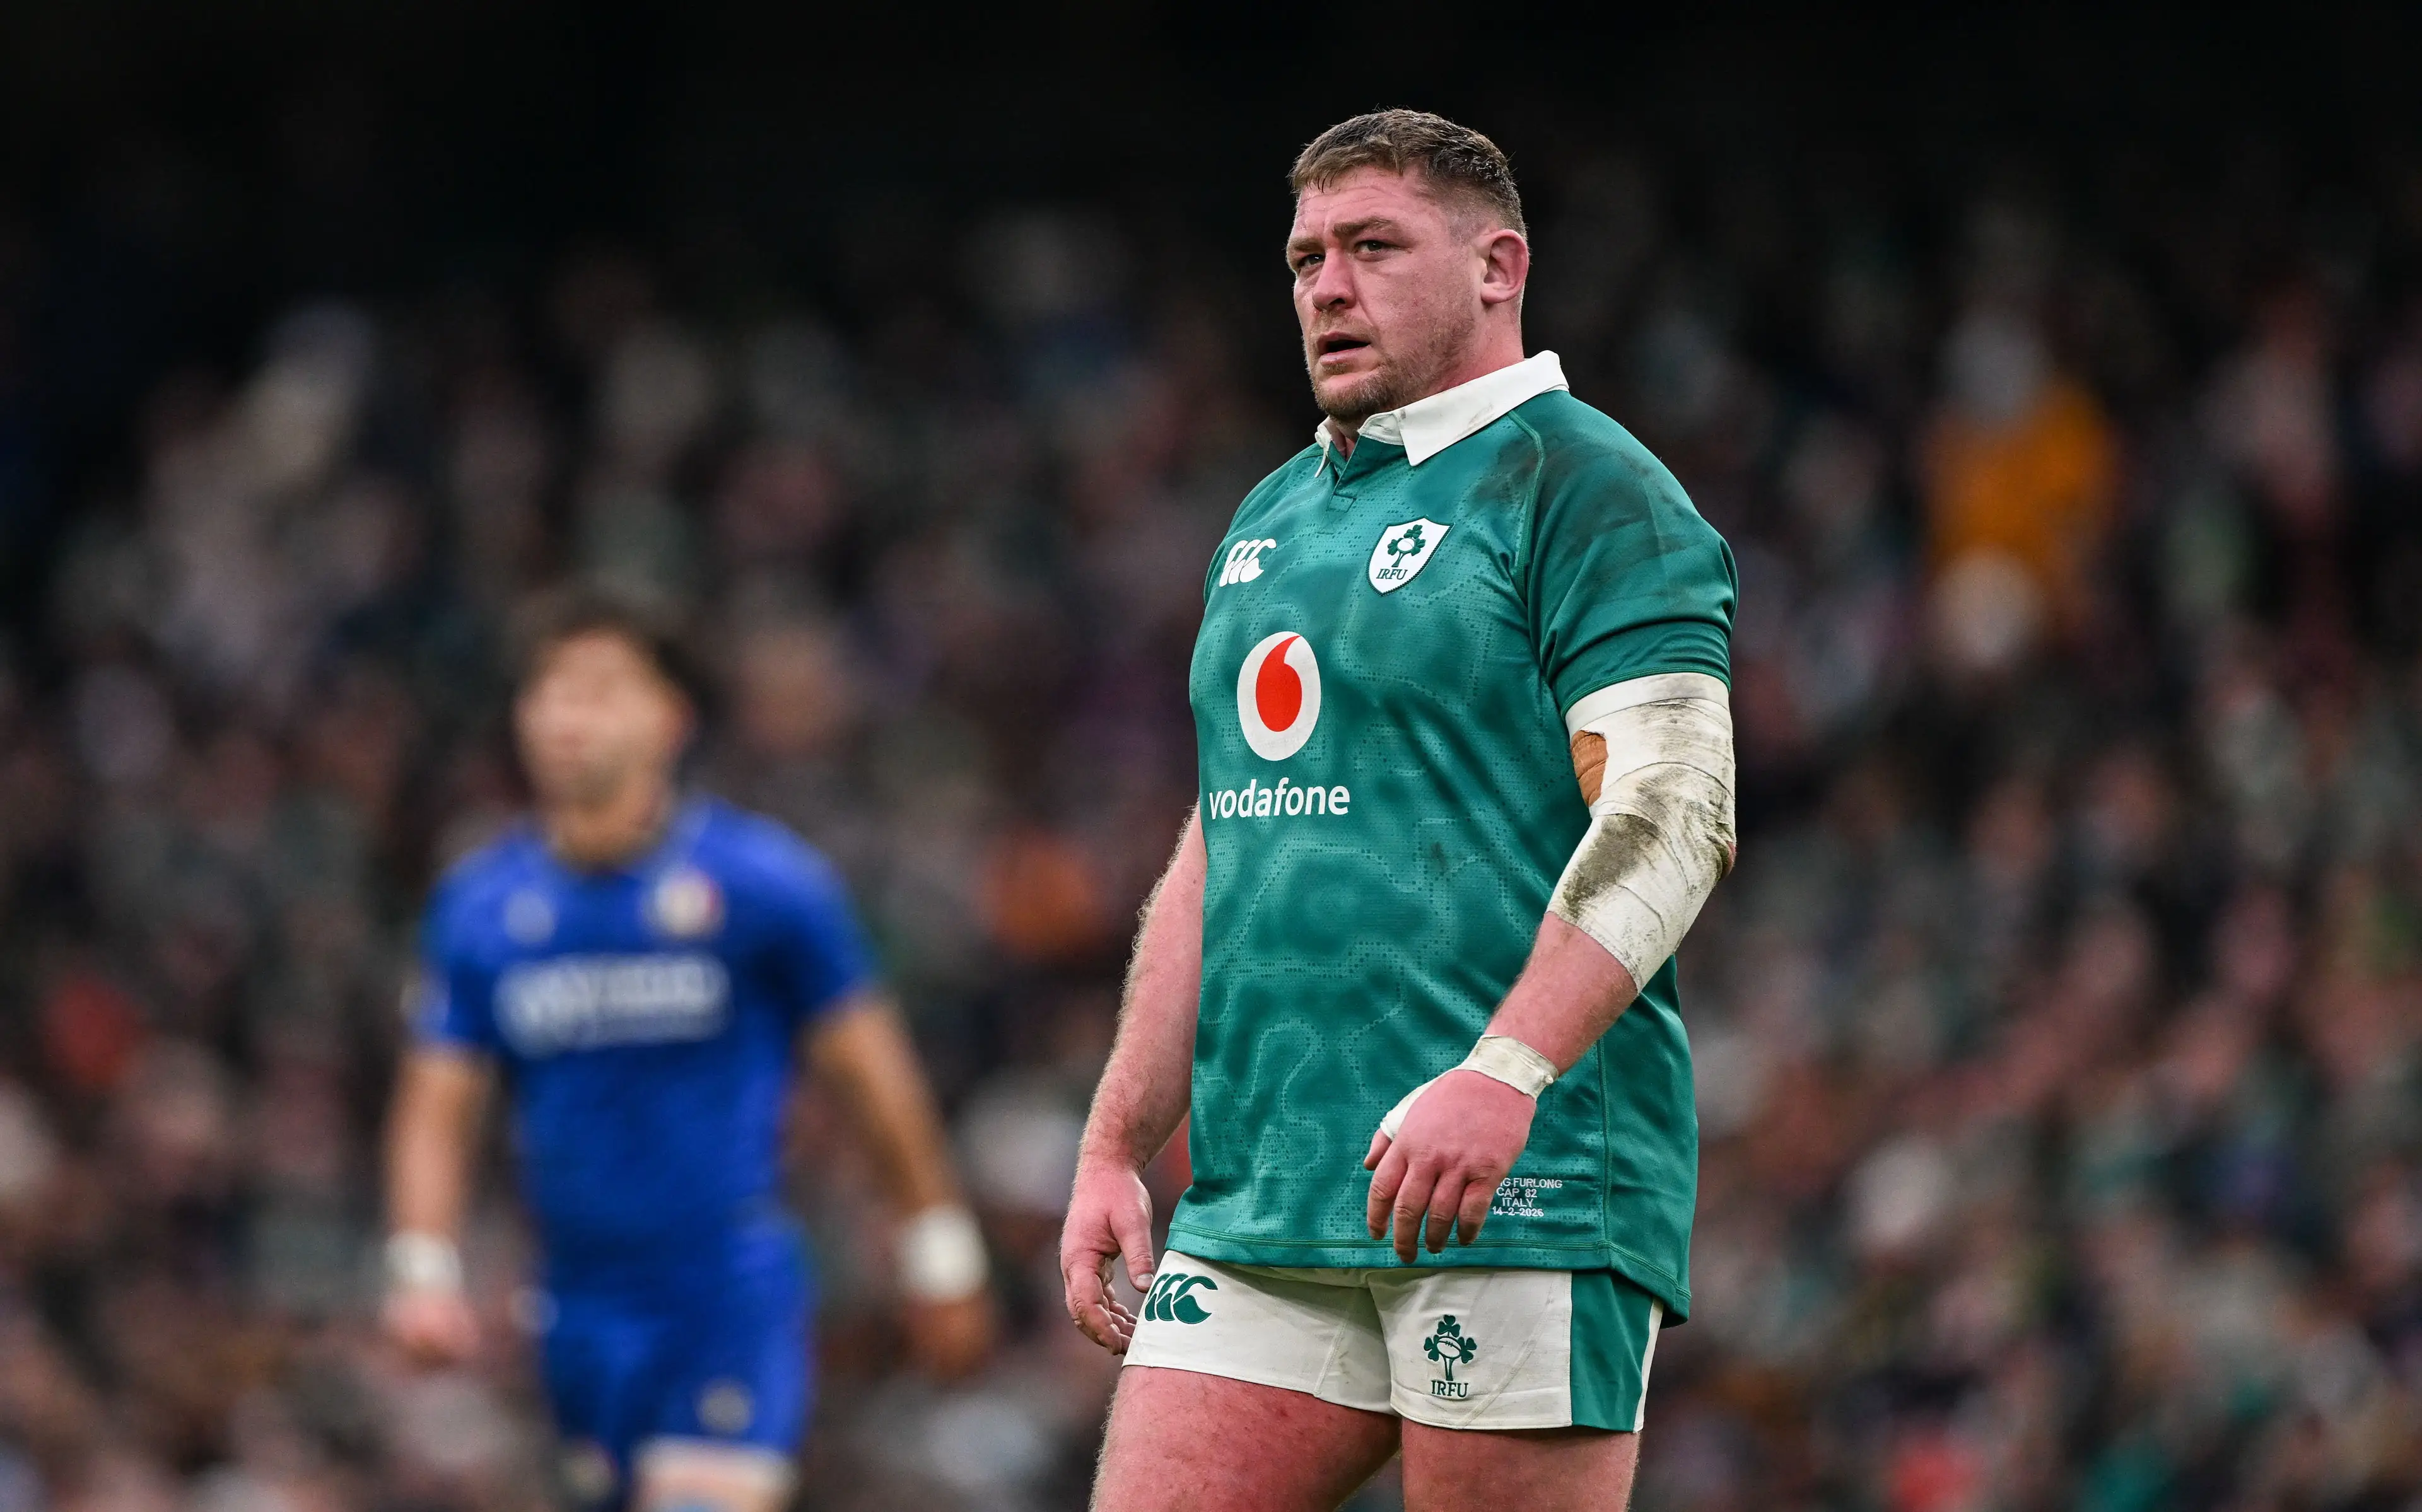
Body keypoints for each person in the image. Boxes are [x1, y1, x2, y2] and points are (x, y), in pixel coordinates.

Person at [1060, 110, 1739, 1510]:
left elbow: (1678, 811)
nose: (1327, 286)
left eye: (1373, 246)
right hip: (1264, 1193)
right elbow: (1229, 837)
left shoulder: (1592, 488)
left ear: (1500, 267)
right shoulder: (1272, 514)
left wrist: (1506, 1072)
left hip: (1521, 1186)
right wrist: (1118, 1138)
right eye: (1306, 257)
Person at [382, 588, 995, 1512]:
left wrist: (937, 1249)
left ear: (671, 718)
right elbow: (438, 1104)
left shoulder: (765, 887)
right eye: (548, 691)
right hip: (573, 1306)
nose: (567, 718)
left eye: (600, 690)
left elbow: (874, 1078)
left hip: (725, 1295)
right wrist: (422, 1266)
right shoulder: (479, 907)